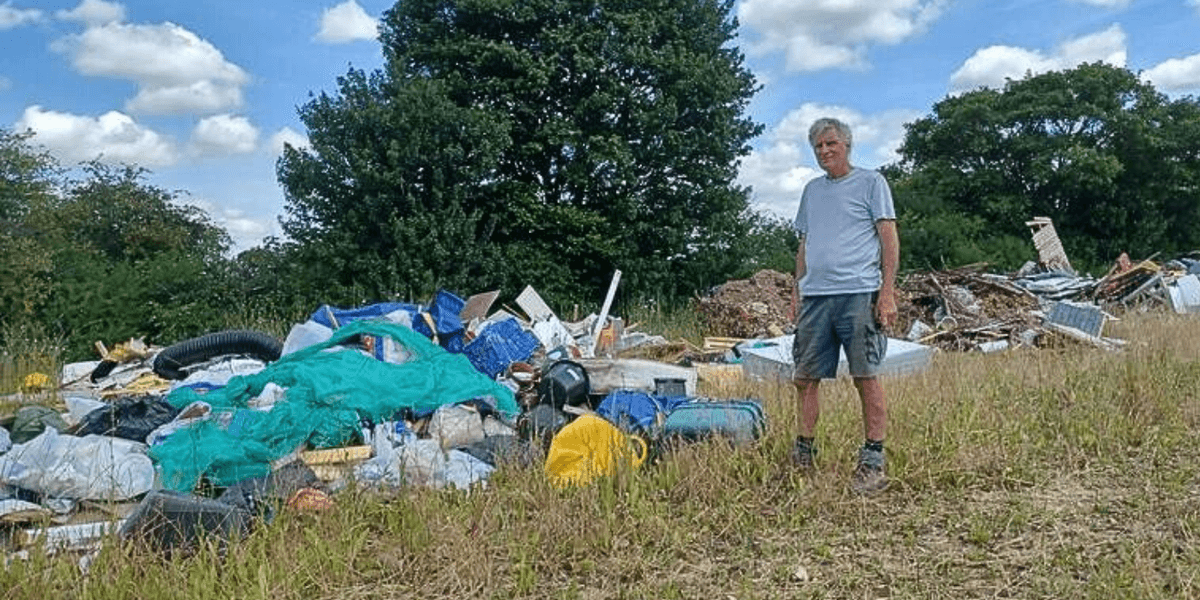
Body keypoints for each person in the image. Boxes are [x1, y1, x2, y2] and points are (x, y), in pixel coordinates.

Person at [789, 117, 899, 494]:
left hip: (858, 292)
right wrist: (796, 291)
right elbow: (804, 245)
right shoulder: (811, 191)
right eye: (818, 146)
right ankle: (803, 454)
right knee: (804, 378)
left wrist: (887, 292)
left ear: (847, 145)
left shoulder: (871, 183)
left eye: (831, 144)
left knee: (865, 375)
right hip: (816, 296)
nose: (825, 151)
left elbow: (888, 238)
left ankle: (873, 460)